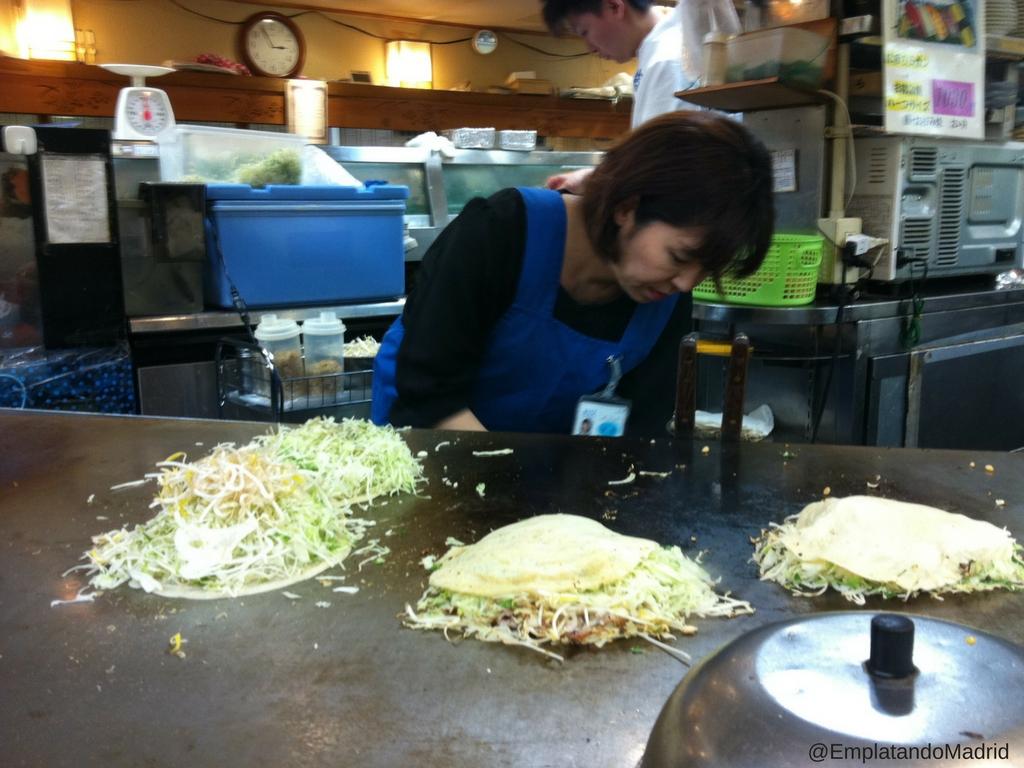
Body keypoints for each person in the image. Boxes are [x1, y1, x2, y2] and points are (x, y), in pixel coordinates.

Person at [371, 111, 774, 436]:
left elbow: (639, 428)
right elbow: (428, 395)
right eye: (679, 256)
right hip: (427, 447)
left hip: (539, 480)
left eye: (706, 270)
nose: (686, 283)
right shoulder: (500, 232)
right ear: (626, 208)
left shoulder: (666, 294)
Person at [541, 0, 741, 192]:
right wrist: (592, 177)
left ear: (614, 6)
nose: (590, 47)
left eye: (585, 31)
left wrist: (595, 180)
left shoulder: (666, 59)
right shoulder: (657, 50)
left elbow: (660, 165)